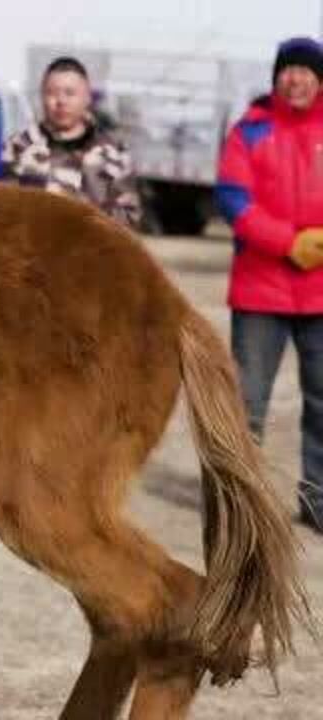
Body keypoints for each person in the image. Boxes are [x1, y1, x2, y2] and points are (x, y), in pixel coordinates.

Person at [216, 37, 323, 535]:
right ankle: (239, 506)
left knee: (322, 401)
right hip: (261, 291)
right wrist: (288, 243)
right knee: (246, 403)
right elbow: (235, 201)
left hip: (321, 293)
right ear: (276, 76)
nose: (295, 79)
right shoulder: (250, 131)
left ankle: (318, 501)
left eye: (305, 72)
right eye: (288, 71)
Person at [2, 56, 142, 227]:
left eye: (70, 93)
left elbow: (129, 216)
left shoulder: (114, 152)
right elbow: (4, 211)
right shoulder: (18, 148)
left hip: (92, 249)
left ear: (87, 97)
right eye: (51, 93)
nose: (61, 101)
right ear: (41, 97)